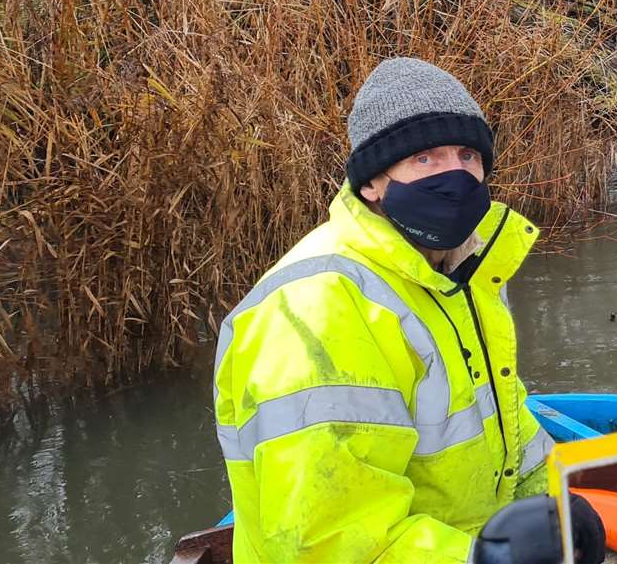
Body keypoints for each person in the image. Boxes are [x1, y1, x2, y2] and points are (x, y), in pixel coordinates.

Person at [213, 58, 561, 563]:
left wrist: (558, 507)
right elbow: (330, 542)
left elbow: (507, 431)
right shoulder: (317, 310)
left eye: (467, 155)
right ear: (373, 184)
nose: (455, 175)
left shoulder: (462, 272)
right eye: (425, 159)